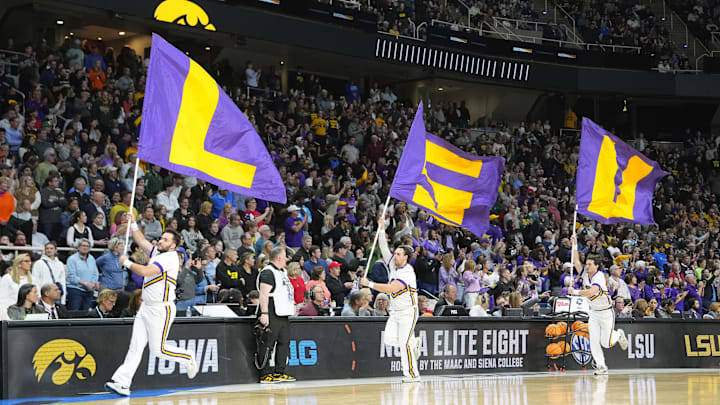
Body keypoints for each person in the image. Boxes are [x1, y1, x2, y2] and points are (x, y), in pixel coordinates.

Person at [105, 213, 197, 397]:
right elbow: (141, 242)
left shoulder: (171, 257)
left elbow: (147, 270)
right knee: (136, 346)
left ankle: (188, 357)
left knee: (159, 349)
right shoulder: (158, 252)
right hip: (146, 307)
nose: (160, 241)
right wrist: (133, 224)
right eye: (161, 237)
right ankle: (122, 382)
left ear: (173, 245)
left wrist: (128, 263)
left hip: (161, 309)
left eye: (165, 239)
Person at [360, 214, 420, 383]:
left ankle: (412, 376)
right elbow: (384, 248)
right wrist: (382, 230)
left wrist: (369, 284)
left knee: (404, 344)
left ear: (405, 257)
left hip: (409, 311)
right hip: (395, 312)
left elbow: (392, 288)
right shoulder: (394, 265)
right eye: (396, 253)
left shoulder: (408, 272)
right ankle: (414, 343)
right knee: (389, 339)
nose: (395, 255)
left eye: (399, 254)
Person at [568, 235, 628, 375]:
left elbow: (592, 291)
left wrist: (575, 291)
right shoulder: (584, 273)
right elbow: (575, 261)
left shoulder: (599, 276)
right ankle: (601, 367)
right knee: (593, 341)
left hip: (606, 312)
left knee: (605, 343)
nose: (586, 266)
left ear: (596, 266)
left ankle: (618, 334)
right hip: (594, 312)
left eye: (589, 264)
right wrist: (575, 244)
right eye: (587, 264)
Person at [257, 246, 296, 384]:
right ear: (279, 257)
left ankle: (280, 371)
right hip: (271, 310)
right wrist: (264, 313)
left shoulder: (283, 272)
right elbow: (263, 294)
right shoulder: (268, 272)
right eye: (285, 256)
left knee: (284, 343)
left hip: (283, 312)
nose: (287, 259)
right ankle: (265, 374)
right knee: (268, 343)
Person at [66, 239, 99, 310]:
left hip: (89, 291)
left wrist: (92, 283)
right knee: (75, 314)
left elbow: (95, 273)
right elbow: (71, 277)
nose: (85, 248)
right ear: (78, 247)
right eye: (83, 246)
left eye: (87, 246)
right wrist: (86, 284)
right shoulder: (72, 259)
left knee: (86, 315)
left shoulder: (91, 258)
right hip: (76, 290)